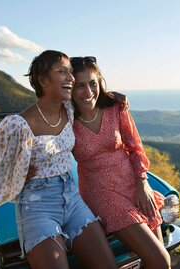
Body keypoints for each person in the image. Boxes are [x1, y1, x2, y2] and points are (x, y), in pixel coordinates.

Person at [0, 50, 117, 269]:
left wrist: (114, 98)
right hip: (37, 207)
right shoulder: (17, 125)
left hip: (73, 200)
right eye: (62, 72)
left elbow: (91, 95)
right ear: (44, 80)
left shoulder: (68, 108)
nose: (71, 78)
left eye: (70, 72)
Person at [69, 56, 171, 269]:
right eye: (80, 86)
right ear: (69, 87)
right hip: (101, 192)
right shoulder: (65, 120)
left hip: (133, 183)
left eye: (92, 83)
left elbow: (135, 148)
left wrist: (143, 182)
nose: (88, 92)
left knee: (159, 262)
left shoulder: (115, 108)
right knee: (160, 261)